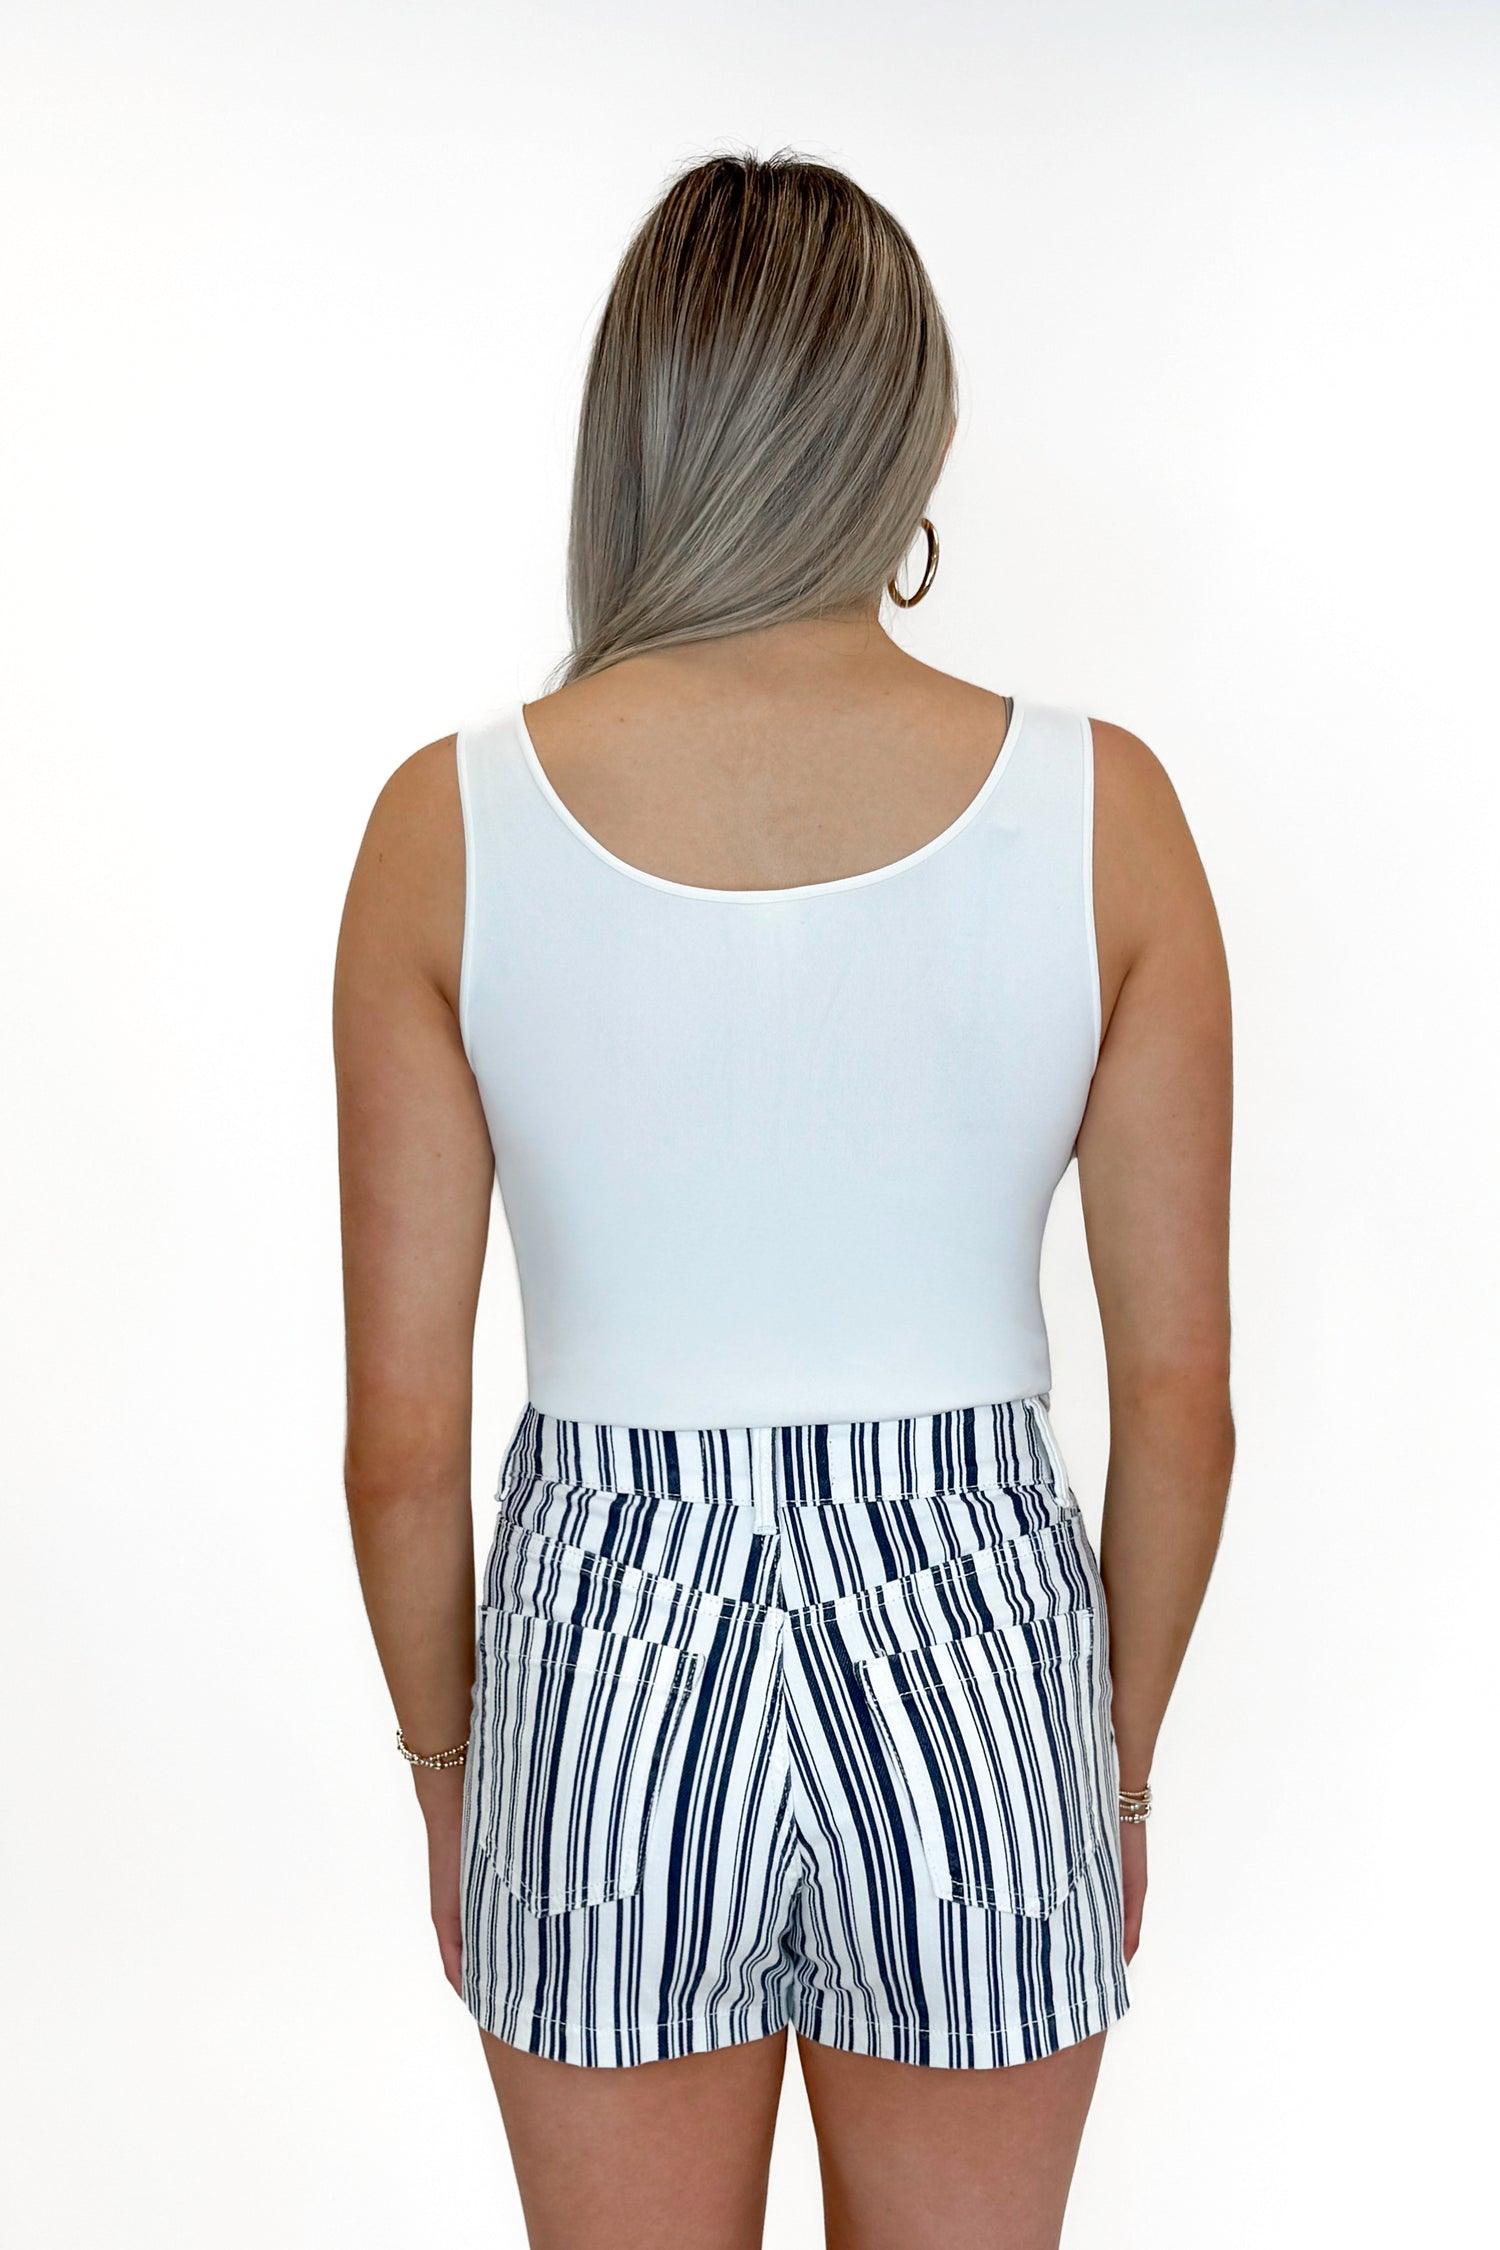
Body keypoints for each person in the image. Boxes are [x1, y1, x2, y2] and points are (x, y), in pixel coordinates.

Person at [333, 147, 1234, 2250]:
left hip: (603, 1648)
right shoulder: (1104, 812)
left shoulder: (443, 826)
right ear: (905, 425)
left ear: (636, 428)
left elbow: (398, 1449)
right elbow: (1178, 1402)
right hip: (980, 1629)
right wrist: (1113, 1764)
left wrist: (459, 1781)